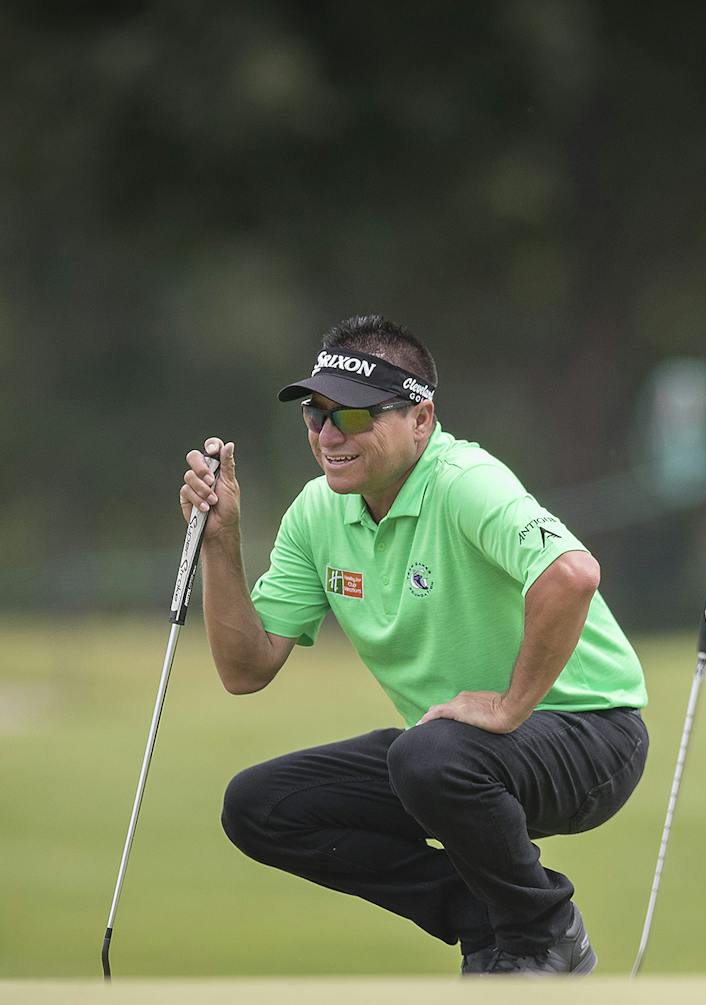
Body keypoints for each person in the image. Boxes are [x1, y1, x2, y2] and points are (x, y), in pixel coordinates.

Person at [178, 314, 648, 975]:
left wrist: (512, 706)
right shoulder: (316, 512)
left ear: (421, 419)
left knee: (427, 755)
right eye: (316, 414)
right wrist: (222, 544)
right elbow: (246, 668)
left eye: (353, 416)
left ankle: (541, 933)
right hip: (451, 752)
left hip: (592, 734)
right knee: (260, 806)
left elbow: (571, 574)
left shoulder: (464, 480)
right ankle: (488, 921)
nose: (327, 435)